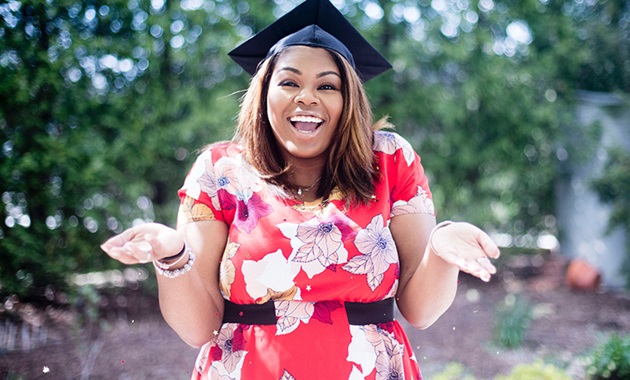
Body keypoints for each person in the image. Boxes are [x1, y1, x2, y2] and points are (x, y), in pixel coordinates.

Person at [100, 0, 500, 378]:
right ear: (264, 93)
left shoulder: (389, 160)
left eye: (328, 86)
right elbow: (196, 327)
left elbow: (421, 309)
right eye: (289, 81)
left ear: (349, 100)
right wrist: (172, 255)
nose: (307, 97)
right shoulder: (220, 171)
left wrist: (441, 247)